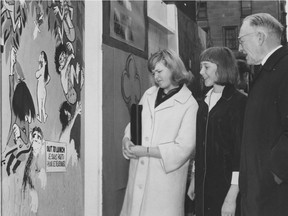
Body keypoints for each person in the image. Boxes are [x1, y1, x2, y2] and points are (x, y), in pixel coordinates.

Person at [120, 49, 198, 216]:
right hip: (138, 173)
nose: (156, 76)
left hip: (164, 181)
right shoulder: (149, 94)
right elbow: (134, 124)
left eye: (160, 71)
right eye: (153, 72)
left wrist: (147, 151)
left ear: (174, 70)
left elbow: (184, 147)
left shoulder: (189, 104)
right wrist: (127, 140)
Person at [238, 13, 288, 216]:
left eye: (242, 40)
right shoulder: (269, 70)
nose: (240, 49)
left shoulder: (284, 68)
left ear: (260, 37)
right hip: (261, 191)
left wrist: (274, 172)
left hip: (273, 192)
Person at [187, 47, 247, 216]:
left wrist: (231, 197)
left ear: (221, 67)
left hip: (227, 188)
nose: (200, 72)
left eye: (206, 67)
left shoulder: (239, 103)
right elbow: (200, 146)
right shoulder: (203, 103)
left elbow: (240, 153)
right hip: (203, 187)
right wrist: (194, 179)